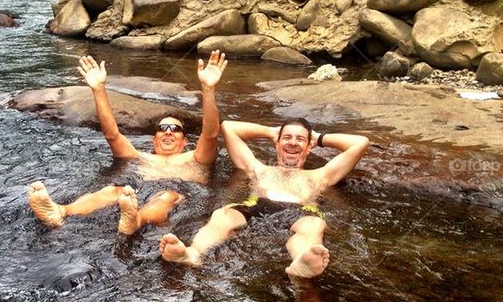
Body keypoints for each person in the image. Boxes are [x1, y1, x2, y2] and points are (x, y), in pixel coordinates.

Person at [28, 51, 228, 235]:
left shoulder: (196, 157)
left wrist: (208, 89)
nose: (168, 132)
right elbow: (112, 135)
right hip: (137, 192)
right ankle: (60, 211)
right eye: (162, 128)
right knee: (113, 190)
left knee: (166, 196)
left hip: (181, 196)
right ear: (154, 139)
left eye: (175, 129)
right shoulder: (140, 156)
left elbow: (210, 134)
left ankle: (136, 220)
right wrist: (98, 89)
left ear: (185, 141)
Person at [158, 117, 370, 278]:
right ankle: (193, 253)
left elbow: (360, 143)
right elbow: (229, 127)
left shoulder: (320, 175)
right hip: (256, 206)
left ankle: (301, 262)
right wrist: (272, 131)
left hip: (299, 211)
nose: (293, 143)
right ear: (277, 144)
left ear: (308, 147)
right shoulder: (257, 169)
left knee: (313, 225)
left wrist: (319, 138)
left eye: (300, 139)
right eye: (287, 138)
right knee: (222, 215)